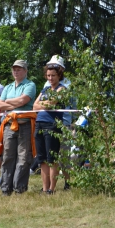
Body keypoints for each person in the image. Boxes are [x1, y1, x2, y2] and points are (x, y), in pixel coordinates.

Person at [0, 60, 36, 195]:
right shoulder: (7, 87)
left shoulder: (30, 85)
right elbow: (0, 105)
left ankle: (20, 188)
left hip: (25, 124)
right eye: (14, 69)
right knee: (7, 156)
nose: (16, 71)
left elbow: (22, 101)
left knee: (24, 157)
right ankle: (5, 189)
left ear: (25, 71)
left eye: (19, 69)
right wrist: (14, 103)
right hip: (8, 125)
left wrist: (8, 102)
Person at [33, 58, 67, 194]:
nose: (50, 78)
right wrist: (45, 104)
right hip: (39, 123)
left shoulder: (62, 89)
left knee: (51, 158)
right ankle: (45, 187)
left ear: (59, 75)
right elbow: (35, 106)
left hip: (52, 125)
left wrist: (45, 103)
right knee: (42, 159)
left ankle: (51, 189)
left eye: (53, 75)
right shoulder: (45, 89)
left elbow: (53, 103)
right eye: (48, 75)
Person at [43, 55, 72, 190]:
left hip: (64, 121)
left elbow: (65, 103)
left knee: (63, 154)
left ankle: (68, 182)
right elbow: (43, 102)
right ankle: (48, 185)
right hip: (48, 121)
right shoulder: (47, 83)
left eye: (56, 66)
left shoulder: (67, 84)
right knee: (50, 155)